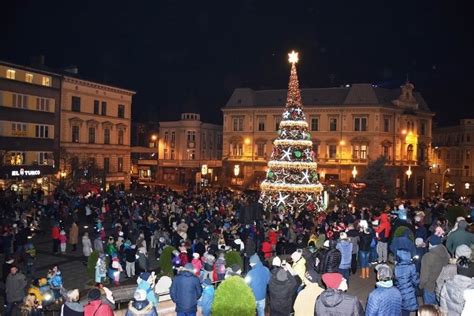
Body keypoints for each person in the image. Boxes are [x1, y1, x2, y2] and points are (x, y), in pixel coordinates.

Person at [420, 235, 450, 304]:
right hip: (441, 284)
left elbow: (424, 276)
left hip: (430, 286)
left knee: (430, 308)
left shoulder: (428, 257)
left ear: (430, 244)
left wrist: (421, 286)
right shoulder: (445, 252)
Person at [394, 249, 420, 316]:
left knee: (402, 308)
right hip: (409, 290)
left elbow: (396, 279)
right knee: (407, 308)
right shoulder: (411, 266)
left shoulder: (397, 267)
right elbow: (415, 281)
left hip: (399, 290)